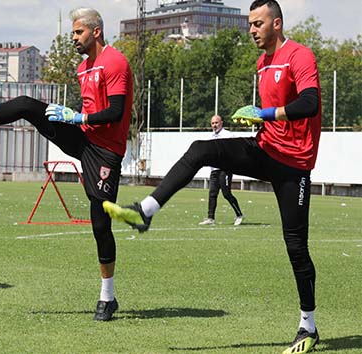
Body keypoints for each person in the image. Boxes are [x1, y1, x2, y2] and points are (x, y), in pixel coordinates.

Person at [103, 0, 321, 352]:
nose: (252, 29)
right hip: (265, 149)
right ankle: (146, 210)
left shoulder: (299, 56)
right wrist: (259, 119)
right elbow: (276, 112)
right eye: (250, 23)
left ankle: (307, 327)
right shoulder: (262, 62)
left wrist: (266, 112)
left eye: (258, 23)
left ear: (277, 24)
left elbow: (309, 102)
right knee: (202, 149)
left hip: (294, 164)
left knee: (296, 246)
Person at [0, 7, 132, 321]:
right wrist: (68, 114)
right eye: (72, 33)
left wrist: (78, 116)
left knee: (100, 223)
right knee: (29, 105)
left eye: (78, 32)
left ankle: (107, 298)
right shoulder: (83, 67)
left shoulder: (116, 62)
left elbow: (116, 113)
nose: (74, 39)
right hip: (82, 137)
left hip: (106, 151)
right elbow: (90, 109)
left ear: (96, 31)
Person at [198, 115, 244, 226]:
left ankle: (239, 214)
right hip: (214, 169)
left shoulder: (228, 135)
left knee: (226, 193)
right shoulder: (211, 137)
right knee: (212, 194)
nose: (214, 125)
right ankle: (210, 218)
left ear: (221, 123)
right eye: (213, 123)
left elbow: (235, 150)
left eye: (216, 123)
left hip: (225, 169)